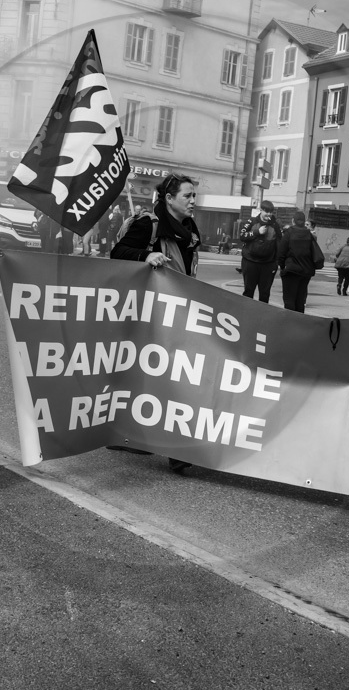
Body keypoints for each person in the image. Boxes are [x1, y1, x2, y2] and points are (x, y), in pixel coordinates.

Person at [111, 173, 201, 473]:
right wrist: (146, 255)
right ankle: (176, 449)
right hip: (148, 314)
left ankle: (145, 436)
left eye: (193, 195)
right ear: (169, 198)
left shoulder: (188, 229)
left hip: (177, 313)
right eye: (187, 195)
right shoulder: (146, 224)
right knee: (166, 377)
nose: (192, 200)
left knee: (168, 376)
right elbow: (117, 254)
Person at [276, 210, 324, 313]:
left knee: (289, 299)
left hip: (291, 270)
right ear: (303, 221)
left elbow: (281, 252)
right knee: (300, 299)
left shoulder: (289, 233)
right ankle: (299, 322)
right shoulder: (309, 234)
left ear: (293, 221)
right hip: (306, 272)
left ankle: (290, 322)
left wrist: (282, 266)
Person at [239, 200, 281, 302]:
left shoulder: (275, 225)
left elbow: (279, 243)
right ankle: (245, 314)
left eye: (271, 212)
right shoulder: (251, 221)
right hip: (250, 262)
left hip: (268, 264)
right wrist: (257, 232)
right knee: (248, 292)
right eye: (266, 212)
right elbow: (242, 236)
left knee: (264, 295)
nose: (269, 214)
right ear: (261, 210)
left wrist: (277, 262)